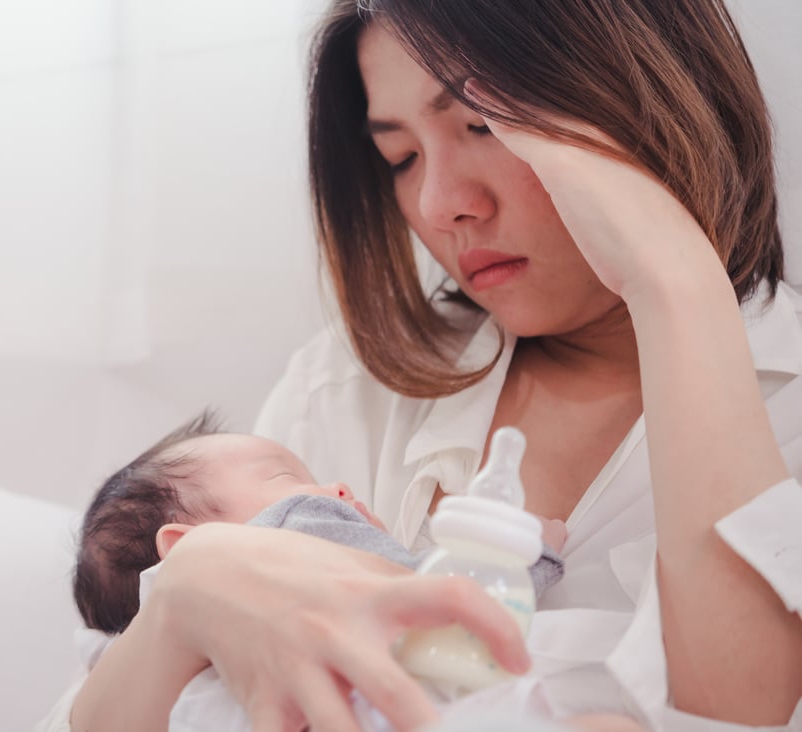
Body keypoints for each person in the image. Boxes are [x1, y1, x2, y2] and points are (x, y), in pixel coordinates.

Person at [48, 1, 802, 730]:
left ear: (647, 93)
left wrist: (676, 283)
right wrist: (186, 594)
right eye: (401, 158)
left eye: (484, 126)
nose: (441, 204)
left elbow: (741, 716)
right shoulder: (347, 388)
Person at [72, 410, 567, 636]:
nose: (339, 491)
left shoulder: (150, 677)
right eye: (286, 475)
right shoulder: (294, 528)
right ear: (188, 550)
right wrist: (525, 556)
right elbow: (441, 609)